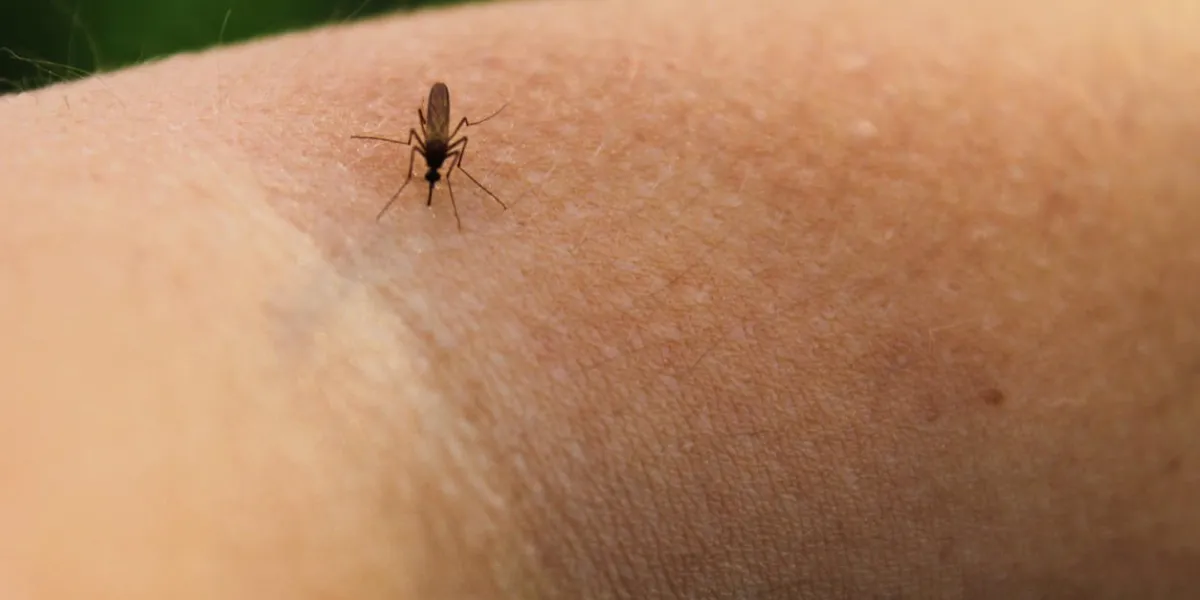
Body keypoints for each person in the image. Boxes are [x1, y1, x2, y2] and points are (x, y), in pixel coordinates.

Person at [1, 0, 1196, 597]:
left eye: (434, 158)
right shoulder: (416, 152)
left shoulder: (446, 150)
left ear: (440, 150)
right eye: (428, 159)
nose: (430, 159)